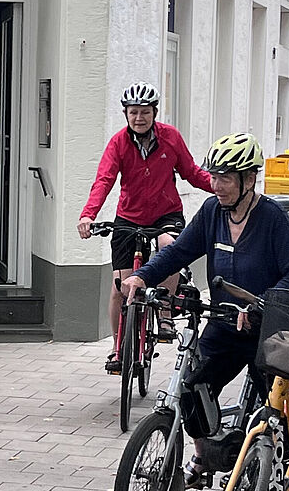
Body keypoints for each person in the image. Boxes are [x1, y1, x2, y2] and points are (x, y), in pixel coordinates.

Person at [121, 133, 289, 483]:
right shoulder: (212, 212)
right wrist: (142, 277)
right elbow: (179, 252)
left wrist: (262, 305)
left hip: (265, 331)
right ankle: (204, 456)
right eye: (214, 176)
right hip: (223, 325)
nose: (216, 185)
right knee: (194, 389)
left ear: (249, 179)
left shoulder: (272, 218)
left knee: (277, 411)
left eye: (225, 177)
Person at [79, 82, 213, 370]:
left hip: (167, 213)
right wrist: (88, 214)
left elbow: (191, 172)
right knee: (121, 289)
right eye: (133, 112)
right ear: (126, 113)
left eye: (144, 112)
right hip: (129, 217)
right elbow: (104, 180)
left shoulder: (171, 138)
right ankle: (118, 348)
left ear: (154, 112)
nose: (139, 118)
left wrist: (220, 186)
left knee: (169, 245)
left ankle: (164, 314)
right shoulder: (118, 142)